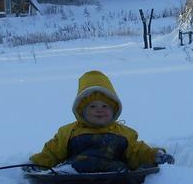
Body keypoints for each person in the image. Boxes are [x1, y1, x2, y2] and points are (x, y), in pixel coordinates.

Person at [30, 70, 174, 172]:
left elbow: (136, 152)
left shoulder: (124, 133)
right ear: (81, 111)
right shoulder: (68, 132)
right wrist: (36, 163)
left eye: (105, 106)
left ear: (114, 109)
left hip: (113, 175)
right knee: (69, 168)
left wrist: (154, 156)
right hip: (75, 175)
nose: (99, 110)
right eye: (92, 106)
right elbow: (53, 152)